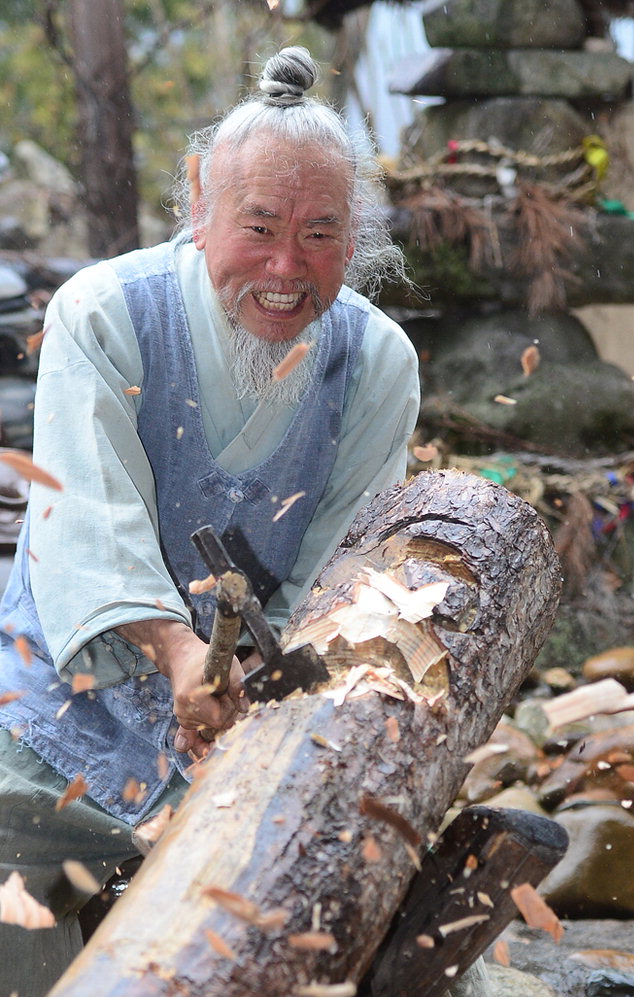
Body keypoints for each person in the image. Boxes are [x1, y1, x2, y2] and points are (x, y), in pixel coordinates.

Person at [0, 47, 489, 997]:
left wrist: (262, 689)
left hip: (238, 730)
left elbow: (340, 575)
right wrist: (179, 652)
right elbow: (85, 521)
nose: (285, 267)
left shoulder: (376, 363)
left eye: (320, 234)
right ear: (199, 203)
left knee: (339, 916)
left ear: (356, 238)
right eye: (259, 226)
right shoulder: (106, 314)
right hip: (56, 712)